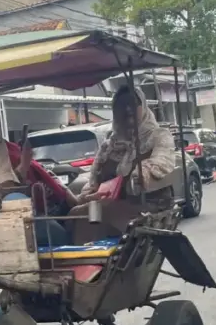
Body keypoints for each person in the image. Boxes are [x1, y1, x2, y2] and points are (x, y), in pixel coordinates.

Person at [68, 85, 176, 242]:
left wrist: (142, 173)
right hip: (112, 206)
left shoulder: (158, 136)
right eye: (122, 106)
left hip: (145, 206)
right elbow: (93, 183)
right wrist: (87, 196)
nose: (127, 110)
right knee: (77, 212)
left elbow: (162, 161)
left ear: (143, 106)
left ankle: (93, 259)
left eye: (133, 104)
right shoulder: (108, 146)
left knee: (98, 212)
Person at [0, 109, 75, 246]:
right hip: (11, 212)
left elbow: (40, 172)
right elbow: (10, 189)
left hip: (52, 201)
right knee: (58, 234)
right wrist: (23, 165)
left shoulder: (5, 146)